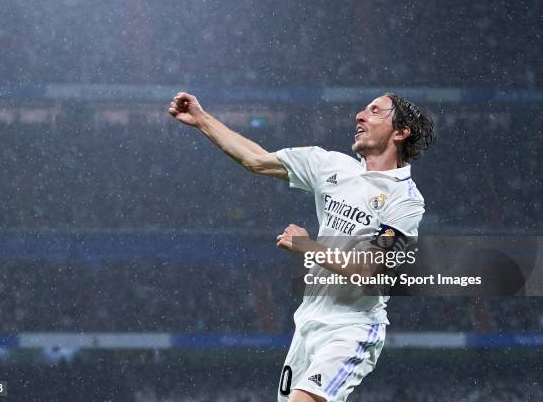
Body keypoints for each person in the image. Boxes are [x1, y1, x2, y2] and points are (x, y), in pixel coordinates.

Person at [168, 92, 435, 402]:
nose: (360, 116)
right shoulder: (329, 165)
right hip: (307, 325)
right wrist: (202, 120)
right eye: (363, 109)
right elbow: (255, 160)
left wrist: (309, 246)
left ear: (401, 132)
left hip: (353, 328)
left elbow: (370, 271)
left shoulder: (406, 201)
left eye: (375, 111)